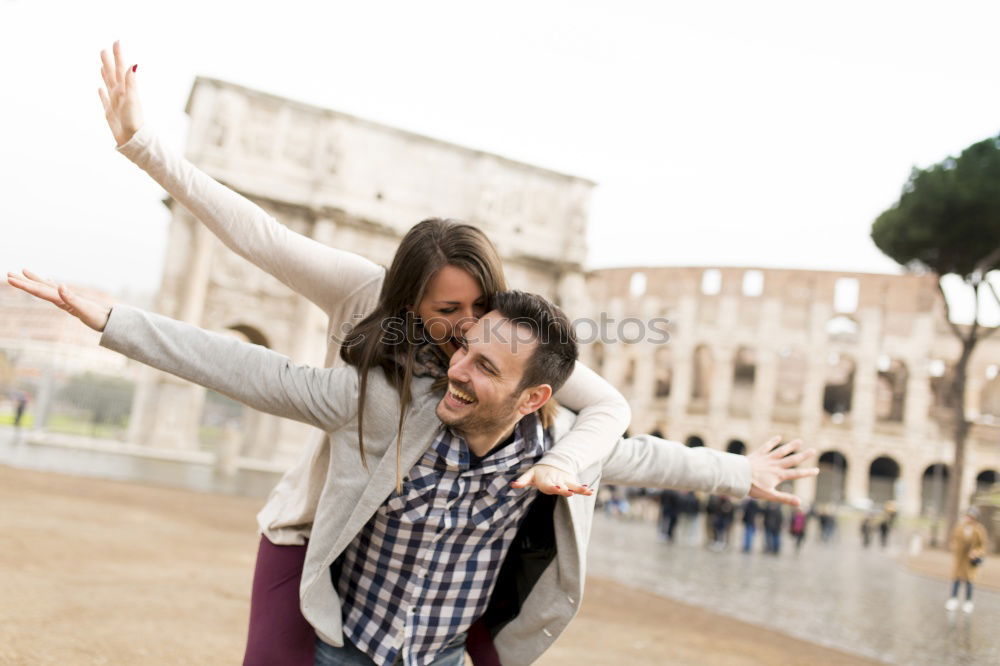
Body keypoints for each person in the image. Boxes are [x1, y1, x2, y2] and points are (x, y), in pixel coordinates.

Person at [94, 41, 631, 666]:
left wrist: (562, 461)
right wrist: (143, 146)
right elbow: (259, 238)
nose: (467, 330)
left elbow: (608, 410)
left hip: (421, 557)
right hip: (318, 519)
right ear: (407, 302)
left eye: (478, 307)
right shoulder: (362, 292)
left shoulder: (506, 337)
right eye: (445, 311)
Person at [8, 276, 819, 666]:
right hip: (343, 649)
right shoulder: (390, 409)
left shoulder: (553, 456)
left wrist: (737, 474)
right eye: (462, 347)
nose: (458, 369)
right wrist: (114, 319)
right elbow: (252, 370)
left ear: (536, 395)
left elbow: (646, 457)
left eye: (485, 367)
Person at [945, 507, 989, 614]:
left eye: (971, 517)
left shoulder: (979, 529)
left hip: (970, 560)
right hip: (960, 558)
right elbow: (954, 539)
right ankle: (953, 599)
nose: (968, 518)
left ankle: (968, 601)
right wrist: (954, 547)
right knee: (956, 579)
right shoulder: (960, 527)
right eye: (967, 516)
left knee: (969, 581)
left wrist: (976, 552)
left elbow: (983, 546)